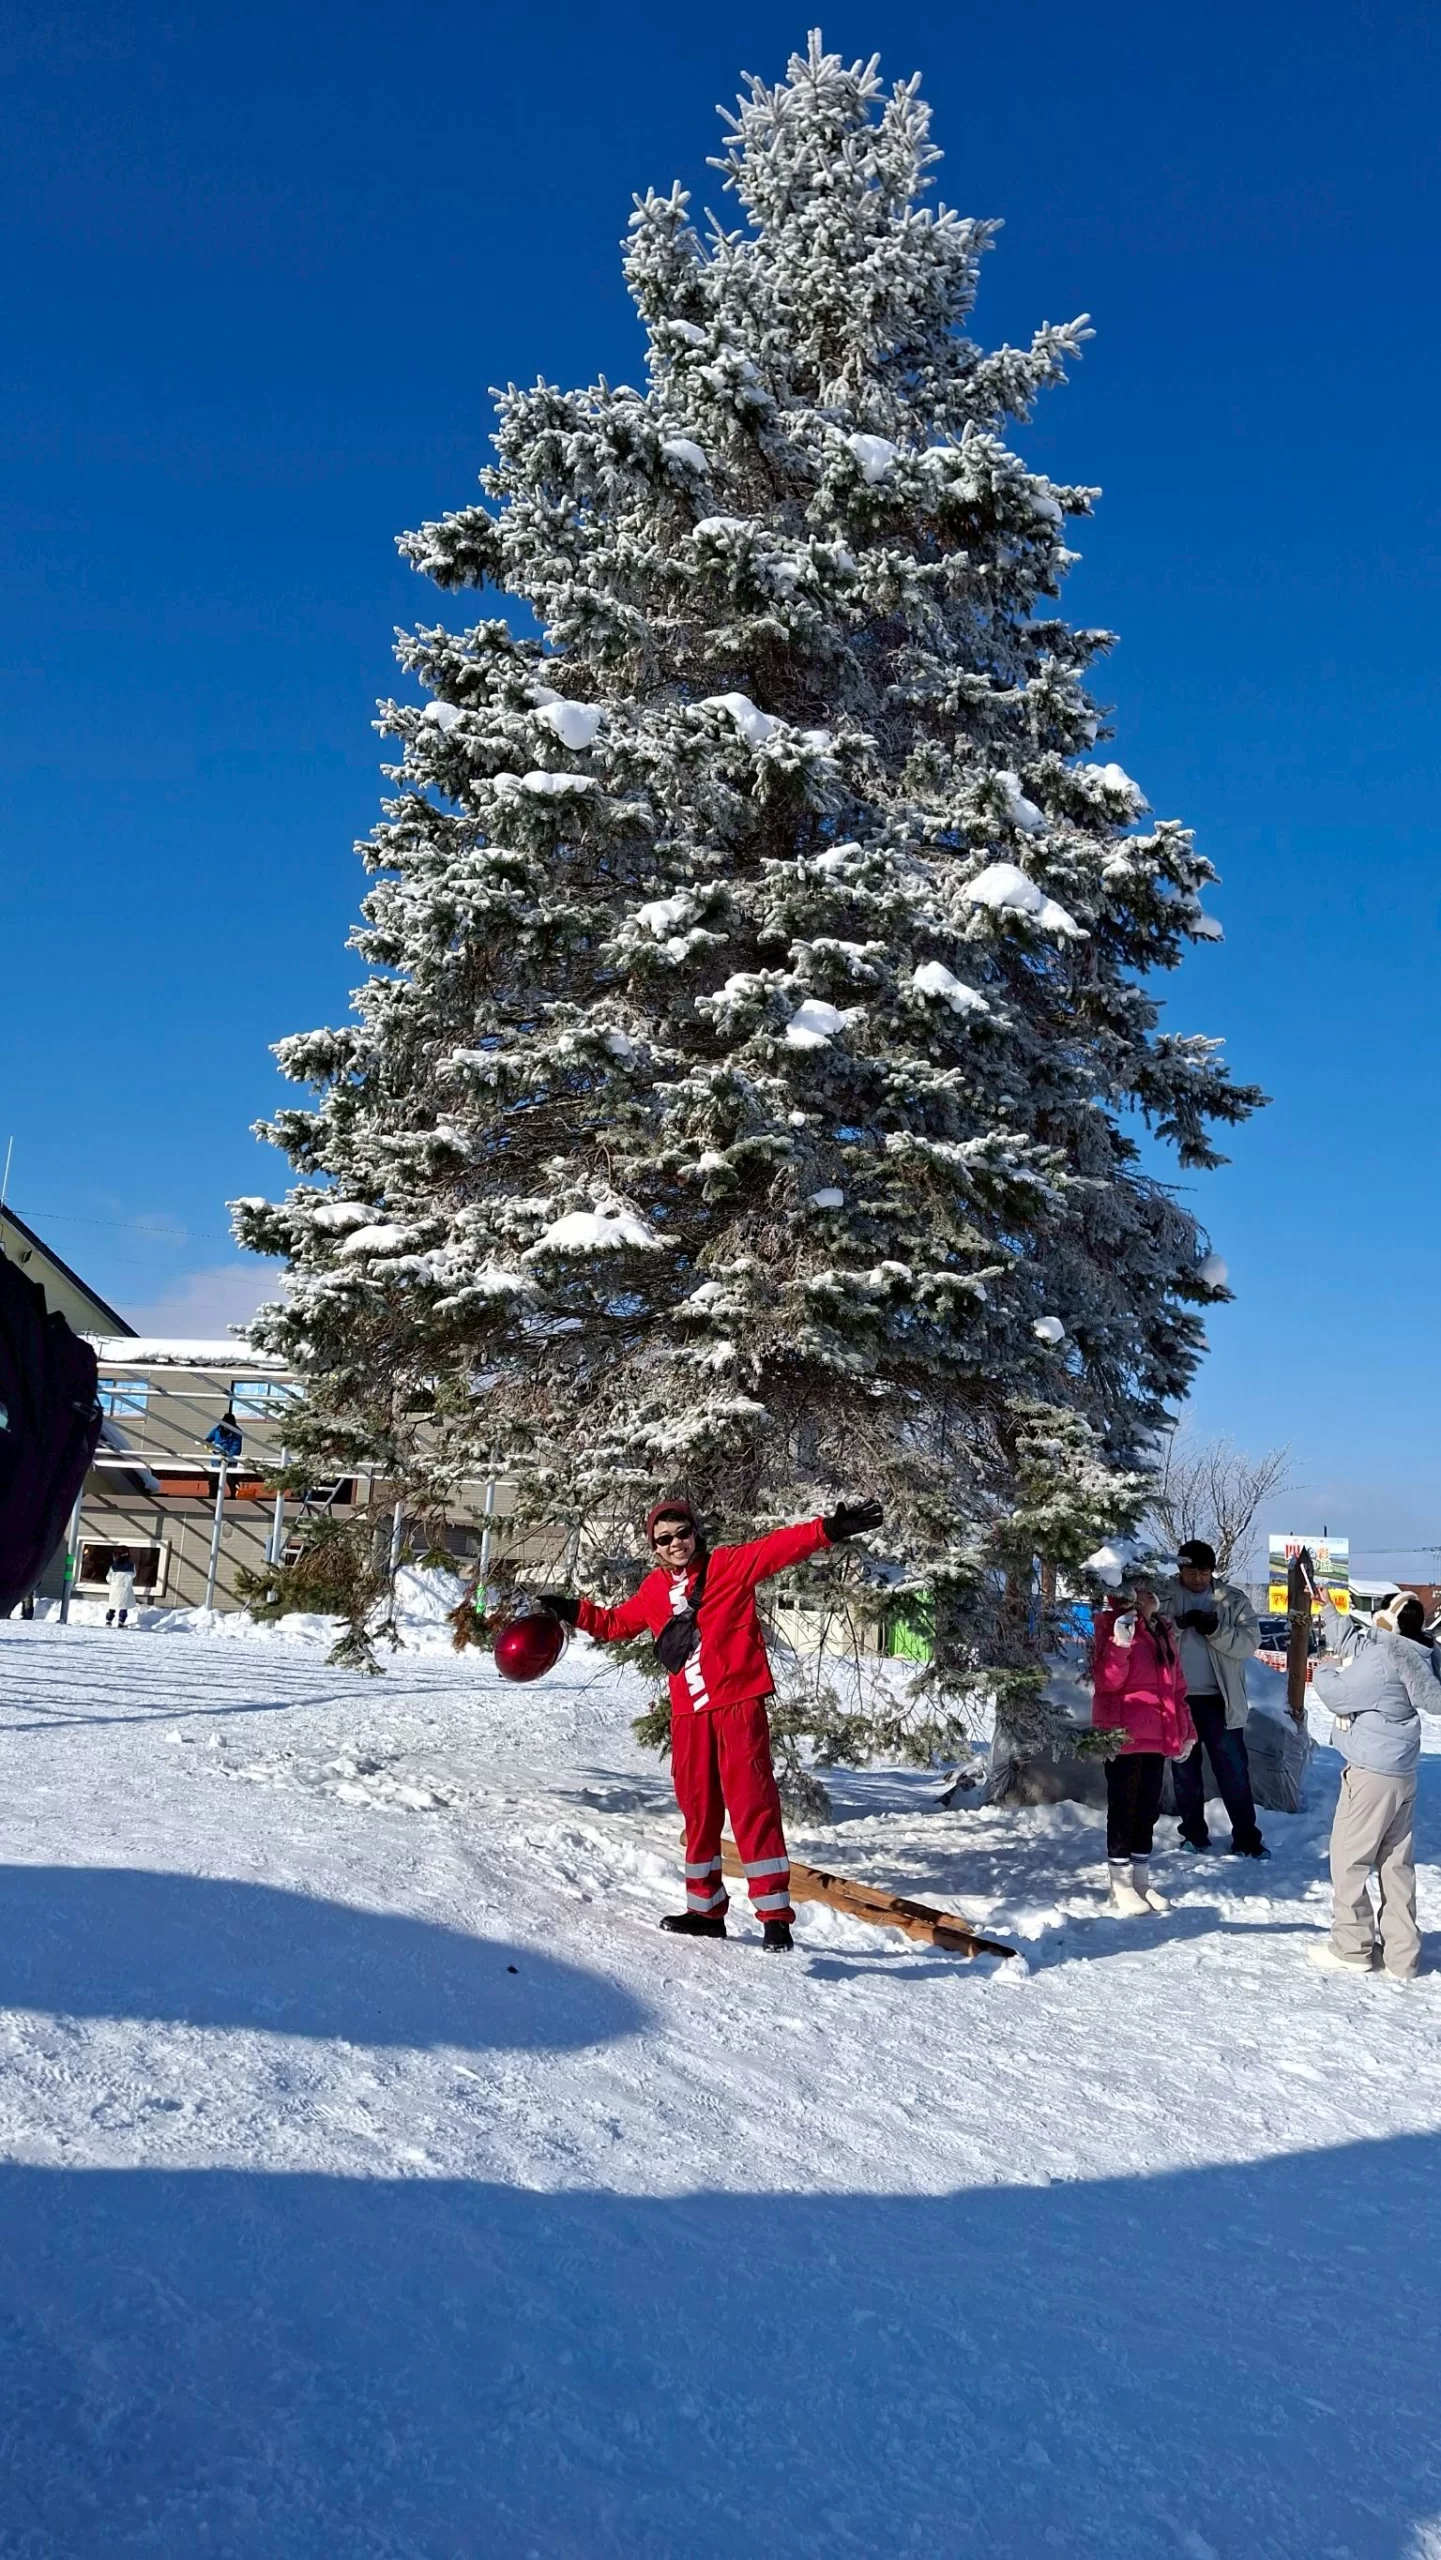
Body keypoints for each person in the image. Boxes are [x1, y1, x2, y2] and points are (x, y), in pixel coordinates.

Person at [541, 1491, 882, 1952]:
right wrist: (571, 1610)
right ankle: (705, 1911)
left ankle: (775, 1917)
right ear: (654, 1547)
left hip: (738, 1705)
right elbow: (616, 1624)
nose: (675, 1543)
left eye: (682, 1533)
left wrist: (829, 1529)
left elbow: (779, 1548)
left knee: (752, 1806)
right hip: (688, 1717)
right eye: (664, 1539)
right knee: (698, 1811)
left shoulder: (728, 1566)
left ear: (695, 1533)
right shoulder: (653, 1590)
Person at [1308, 1594, 1441, 1978]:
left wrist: (1325, 1669)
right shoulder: (1415, 1653)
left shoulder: (1382, 1660)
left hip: (1371, 1775)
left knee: (1348, 1859)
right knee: (1396, 1864)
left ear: (1386, 1621)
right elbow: (1356, 1642)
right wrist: (1328, 1610)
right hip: (1402, 1773)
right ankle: (1402, 1955)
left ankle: (1352, 1947)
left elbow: (1338, 1695)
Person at [1155, 1538, 1265, 1857]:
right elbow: (1151, 1639)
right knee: (1185, 1774)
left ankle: (1247, 1838)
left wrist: (1216, 1630)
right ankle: (1193, 1835)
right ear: (1181, 1569)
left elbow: (1248, 1644)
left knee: (1234, 1773)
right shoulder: (1163, 1596)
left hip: (1221, 1700)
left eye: (1205, 1572)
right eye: (1192, 1571)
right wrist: (1177, 1626)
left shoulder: (1232, 1600)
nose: (1199, 1578)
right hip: (1180, 1700)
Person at [1091, 1581, 1195, 1914]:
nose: (1151, 1594)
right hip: (1123, 1734)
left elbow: (1177, 1688)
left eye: (1151, 1589)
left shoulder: (1162, 1629)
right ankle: (1119, 1884)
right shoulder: (1112, 1625)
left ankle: (1140, 1880)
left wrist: (1187, 1731)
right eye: (1142, 1589)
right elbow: (1108, 1680)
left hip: (1156, 1733)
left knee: (1148, 1808)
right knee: (1124, 1807)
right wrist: (1120, 1643)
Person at [105, 1548, 137, 1628]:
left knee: (112, 1606)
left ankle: (109, 1621)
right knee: (124, 1607)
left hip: (115, 1589)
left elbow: (108, 1578)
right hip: (126, 1589)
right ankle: (121, 1622)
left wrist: (114, 1582)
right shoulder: (131, 1566)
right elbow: (134, 1575)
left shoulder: (113, 1567)